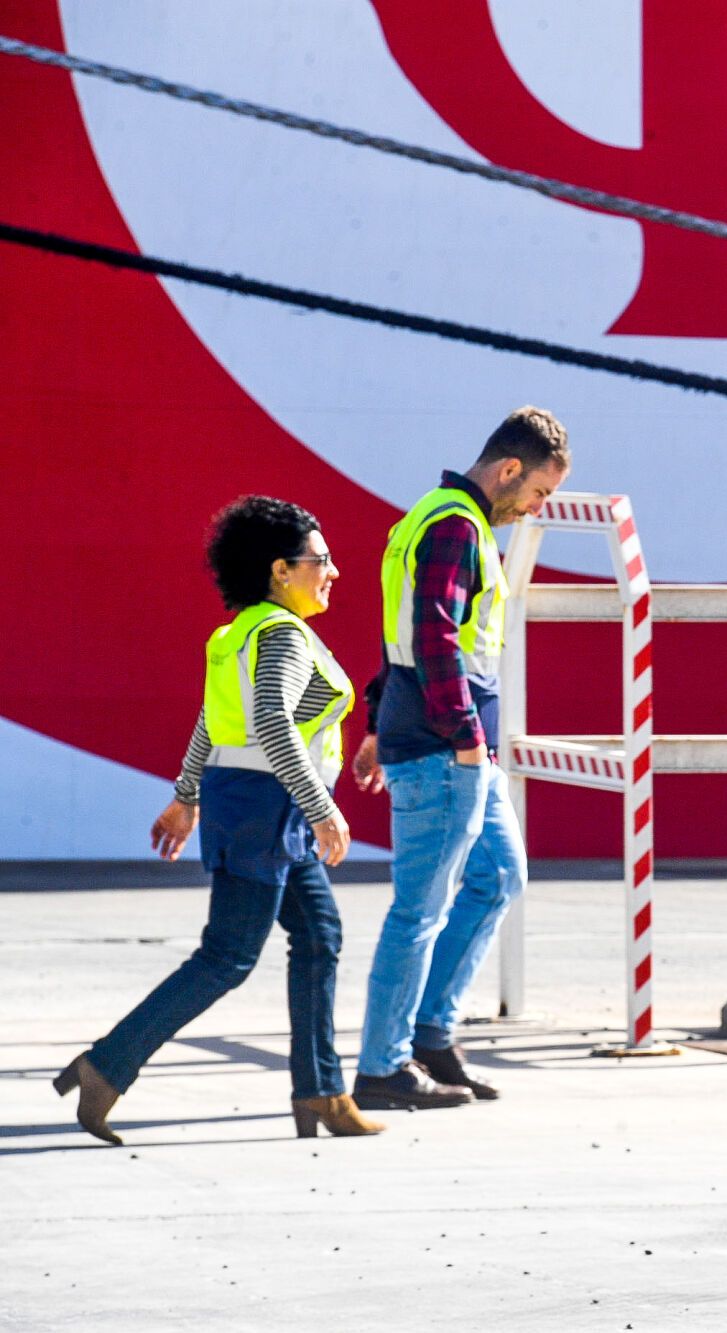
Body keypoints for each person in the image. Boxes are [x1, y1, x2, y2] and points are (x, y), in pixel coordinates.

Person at [56, 496, 383, 1144]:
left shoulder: (242, 629)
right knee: (228, 956)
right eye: (321, 560)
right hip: (273, 809)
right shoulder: (282, 635)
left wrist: (186, 794)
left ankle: (322, 1090)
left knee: (319, 935)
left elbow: (214, 719)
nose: (334, 571)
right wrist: (324, 811)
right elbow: (270, 722)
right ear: (281, 569)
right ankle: (107, 1065)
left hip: (258, 806)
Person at [349, 406, 571, 1111]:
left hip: (445, 741)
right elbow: (435, 634)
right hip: (450, 748)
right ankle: (383, 1067)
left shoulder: (434, 516)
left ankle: (427, 1036)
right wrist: (464, 734)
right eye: (538, 491)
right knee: (419, 911)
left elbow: (402, 633)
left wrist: (380, 719)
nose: (538, 507)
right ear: (509, 469)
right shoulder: (455, 525)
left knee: (500, 875)